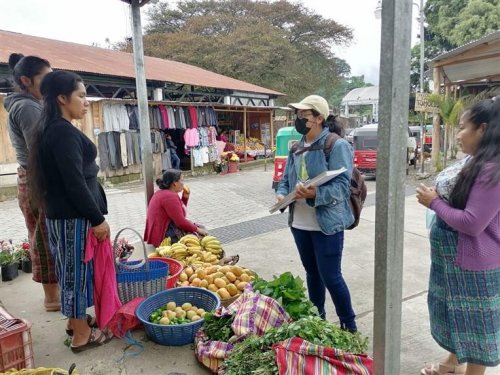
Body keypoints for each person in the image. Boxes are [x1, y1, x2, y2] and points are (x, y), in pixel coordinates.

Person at [28, 70, 113, 352]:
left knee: (68, 271)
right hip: (72, 217)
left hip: (62, 216)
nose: (86, 102)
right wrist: (97, 219)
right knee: (75, 274)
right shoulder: (62, 132)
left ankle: (74, 322)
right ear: (62, 98)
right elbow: (75, 184)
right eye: (81, 95)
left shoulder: (52, 128)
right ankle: (81, 335)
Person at [416, 98, 500, 375]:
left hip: (473, 264)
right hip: (452, 260)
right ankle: (451, 363)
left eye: (463, 127)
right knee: (455, 314)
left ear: (483, 129)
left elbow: (473, 223)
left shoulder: (492, 171)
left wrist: (434, 203)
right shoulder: (474, 161)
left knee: (475, 327)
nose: (459, 133)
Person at [276, 95, 357, 332]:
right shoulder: (296, 146)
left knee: (331, 276)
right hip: (299, 223)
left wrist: (313, 195)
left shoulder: (337, 145)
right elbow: (284, 180)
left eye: (304, 116)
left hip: (326, 224)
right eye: (297, 116)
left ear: (320, 118)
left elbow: (342, 187)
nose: (299, 120)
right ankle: (317, 320)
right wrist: (282, 195)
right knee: (312, 273)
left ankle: (349, 326)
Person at [3, 53, 59, 311]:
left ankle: (54, 294)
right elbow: (41, 150)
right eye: (45, 79)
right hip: (39, 180)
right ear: (26, 80)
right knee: (44, 237)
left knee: (44, 234)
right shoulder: (26, 107)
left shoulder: (30, 103)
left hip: (34, 178)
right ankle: (52, 298)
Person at [144, 169, 207, 247]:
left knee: (199, 228)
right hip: (163, 236)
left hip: (160, 231)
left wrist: (185, 197)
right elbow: (180, 221)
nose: (183, 183)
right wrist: (197, 230)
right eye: (182, 180)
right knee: (199, 236)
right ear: (174, 183)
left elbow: (179, 212)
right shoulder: (169, 196)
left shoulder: (164, 192)